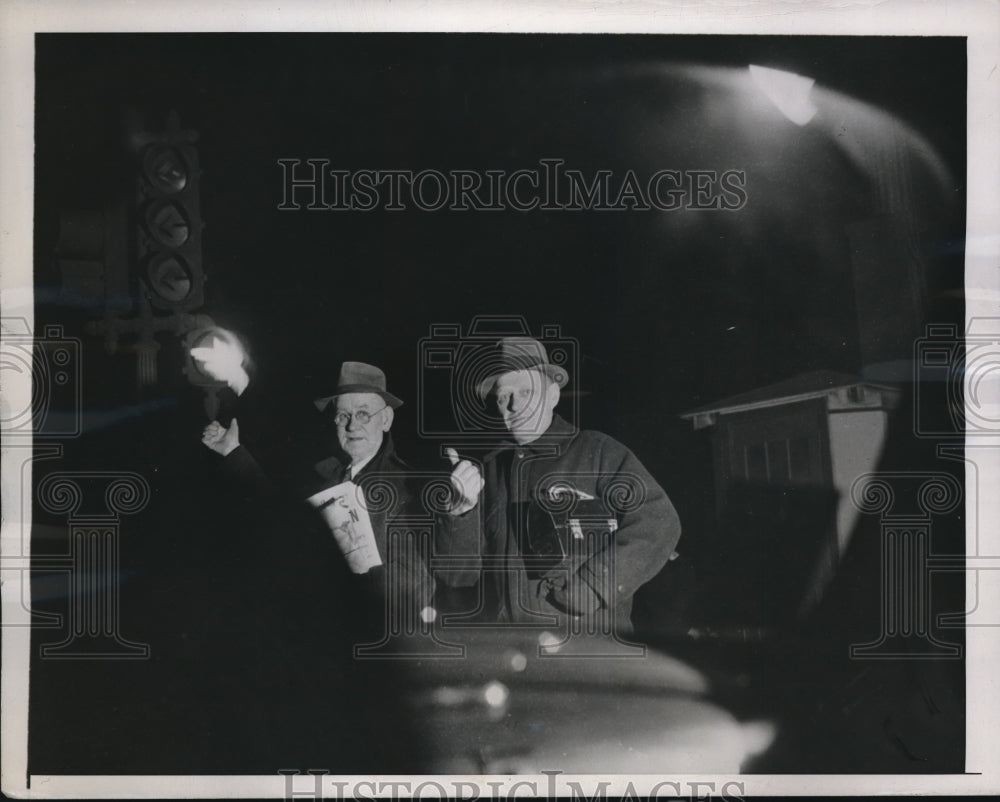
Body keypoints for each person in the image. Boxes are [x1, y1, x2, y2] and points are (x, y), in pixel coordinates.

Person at [439, 337, 681, 635]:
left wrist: (595, 584)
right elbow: (458, 576)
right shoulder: (488, 470)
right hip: (515, 650)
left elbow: (659, 523)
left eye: (526, 392)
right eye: (504, 396)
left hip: (589, 650)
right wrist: (460, 514)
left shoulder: (597, 451)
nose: (513, 405)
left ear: (552, 395)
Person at [199, 359, 434, 624]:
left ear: (386, 419)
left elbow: (413, 579)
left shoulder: (408, 485)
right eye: (343, 415)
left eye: (363, 414)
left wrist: (335, 586)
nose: (352, 426)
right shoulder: (325, 477)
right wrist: (232, 452)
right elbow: (280, 517)